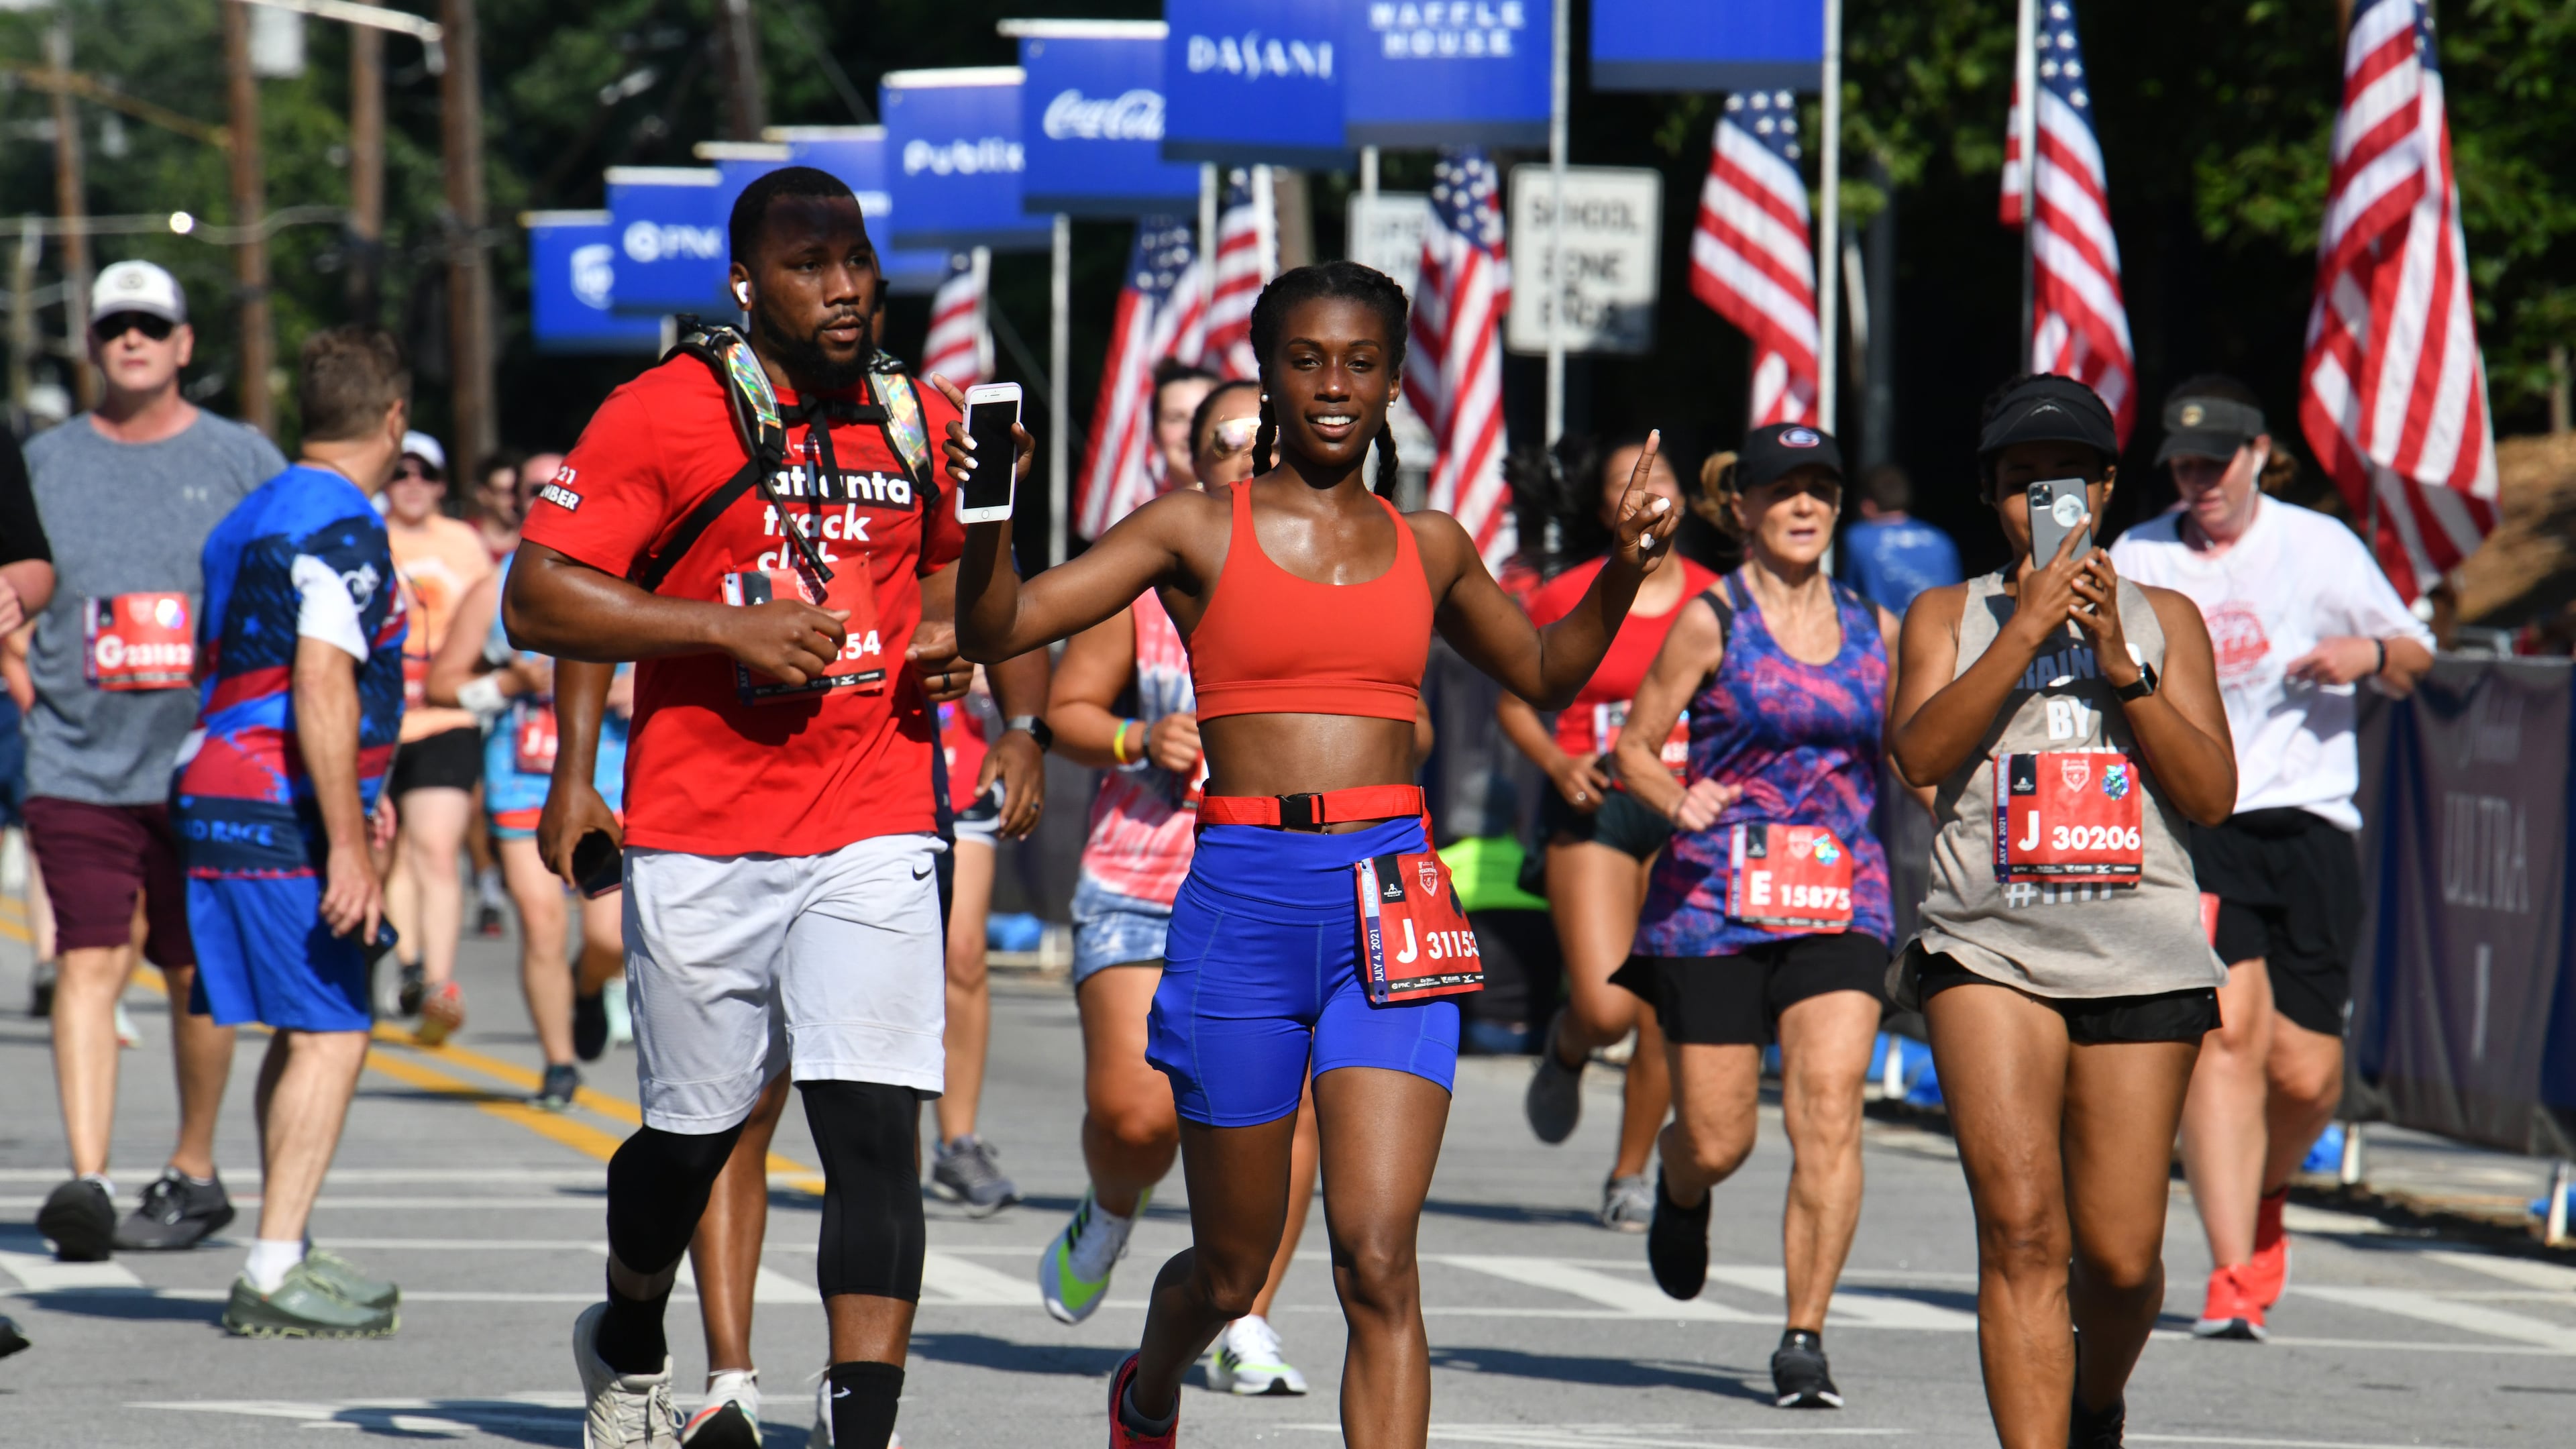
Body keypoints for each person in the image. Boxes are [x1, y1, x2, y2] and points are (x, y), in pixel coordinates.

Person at [948, 260, 1678, 1449]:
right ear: (1268, 372)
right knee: (1232, 1271)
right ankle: (1151, 1383)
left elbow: (1549, 670)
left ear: (1394, 380)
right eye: (1306, 360)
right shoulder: (1191, 526)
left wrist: (1631, 563)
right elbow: (1006, 627)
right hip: (1243, 898)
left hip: (1393, 896)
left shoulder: (1430, 544)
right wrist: (986, 518)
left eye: (1360, 362)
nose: (1333, 384)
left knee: (1379, 1261)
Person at [506, 165, 1048, 1449]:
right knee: (690, 1144)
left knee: (870, 1122)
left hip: (873, 813)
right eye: (812, 266)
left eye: (857, 260)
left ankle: (863, 1423)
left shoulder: (924, 415)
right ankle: (631, 1326)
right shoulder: (662, 413)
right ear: (747, 283)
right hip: (701, 825)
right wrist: (710, 637)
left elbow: (979, 603)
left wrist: (1012, 705)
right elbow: (545, 596)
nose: (847, 287)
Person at [1885, 374, 2237, 1448]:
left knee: (2123, 1263)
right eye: (2021, 482)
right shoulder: (1945, 614)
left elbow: (2213, 796)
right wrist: (2022, 630)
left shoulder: (2167, 618)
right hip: (1987, 946)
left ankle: (2097, 1401)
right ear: (1990, 496)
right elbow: (1920, 757)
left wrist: (2125, 670)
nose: (2047, 497)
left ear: (2107, 489)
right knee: (2025, 1235)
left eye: (2068, 479)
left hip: (2143, 953)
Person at [1037, 377, 1346, 1396]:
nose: (1253, 460)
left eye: (1270, 443)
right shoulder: (1154, 569)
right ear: (1197, 467)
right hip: (1144, 880)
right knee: (1139, 1118)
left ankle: (1246, 1313)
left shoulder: (1343, 571)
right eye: (1229, 444)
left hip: (1280, 886)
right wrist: (1139, 734)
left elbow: (1411, 717)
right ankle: (1112, 1208)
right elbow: (1069, 709)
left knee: (1287, 1115)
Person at [2109, 377, 2432, 1341]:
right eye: (2183, 465)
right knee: (2227, 1036)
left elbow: (2416, 652)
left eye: (2215, 463)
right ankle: (2228, 1271)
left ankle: (2264, 1192)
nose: (2198, 480)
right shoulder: (2143, 552)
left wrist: (2364, 658)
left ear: (2258, 459)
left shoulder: (2318, 546)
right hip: (2198, 822)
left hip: (2309, 824)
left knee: (2304, 1077)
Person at [1603, 425, 1903, 1409]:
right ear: (1742, 509)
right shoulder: (1710, 619)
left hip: (1841, 897)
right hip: (1718, 904)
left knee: (1830, 1106)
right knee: (1721, 1137)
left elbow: (1914, 754)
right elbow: (1637, 748)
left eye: (1822, 487)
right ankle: (1682, 1188)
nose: (1805, 507)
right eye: (1784, 491)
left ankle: (1803, 1336)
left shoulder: (1879, 629)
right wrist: (1675, 796)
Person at [22, 259, 283, 1262]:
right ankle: (87, 1179)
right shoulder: (46, 462)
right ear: (92, 344)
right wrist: (17, 664)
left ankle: (193, 1167)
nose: (131, 339)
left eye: (150, 324)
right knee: (88, 959)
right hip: (77, 759)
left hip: (205, 762)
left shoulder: (241, 458)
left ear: (183, 346)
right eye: (113, 325)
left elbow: (293, 586)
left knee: (192, 973)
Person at [178, 323, 415, 1336]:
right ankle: (273, 1268)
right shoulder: (343, 524)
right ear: (395, 419)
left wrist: (361, 788)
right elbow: (320, 678)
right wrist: (350, 842)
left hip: (218, 788)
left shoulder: (248, 515)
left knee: (298, 1021)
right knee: (332, 1028)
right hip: (276, 808)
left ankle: (290, 1240)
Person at [1499, 432, 1716, 1232]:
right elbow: (1515, 697)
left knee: (1663, 1006)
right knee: (1608, 1007)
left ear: (1685, 496)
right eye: (1627, 479)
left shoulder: (1718, 598)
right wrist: (1557, 762)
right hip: (1592, 807)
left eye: (1659, 473)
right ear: (1603, 507)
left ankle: (1631, 1174)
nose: (1646, 487)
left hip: (1683, 812)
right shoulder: (1568, 592)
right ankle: (1567, 1043)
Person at [423, 544, 633, 1110]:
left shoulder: (634, 575)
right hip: (522, 784)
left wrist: (639, 690)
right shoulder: (496, 589)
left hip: (610, 783)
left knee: (609, 938)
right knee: (540, 926)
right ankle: (559, 1063)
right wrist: (505, 686)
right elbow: (442, 684)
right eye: (533, 491)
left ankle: (588, 988)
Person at [1838, 464, 1960, 619]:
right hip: (1934, 635)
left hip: (1880, 637)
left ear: (1867, 505)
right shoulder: (1941, 540)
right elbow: (1956, 599)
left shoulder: (1857, 538)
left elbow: (1847, 599)